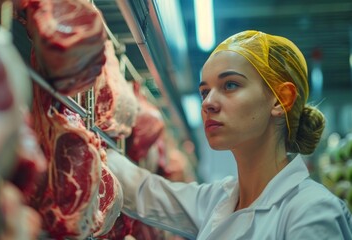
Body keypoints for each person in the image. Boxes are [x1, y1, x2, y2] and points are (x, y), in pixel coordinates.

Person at [107, 30, 352, 239]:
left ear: (281, 100)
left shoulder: (312, 211)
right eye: (204, 92)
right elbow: (143, 191)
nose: (208, 103)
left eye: (230, 85)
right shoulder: (219, 199)